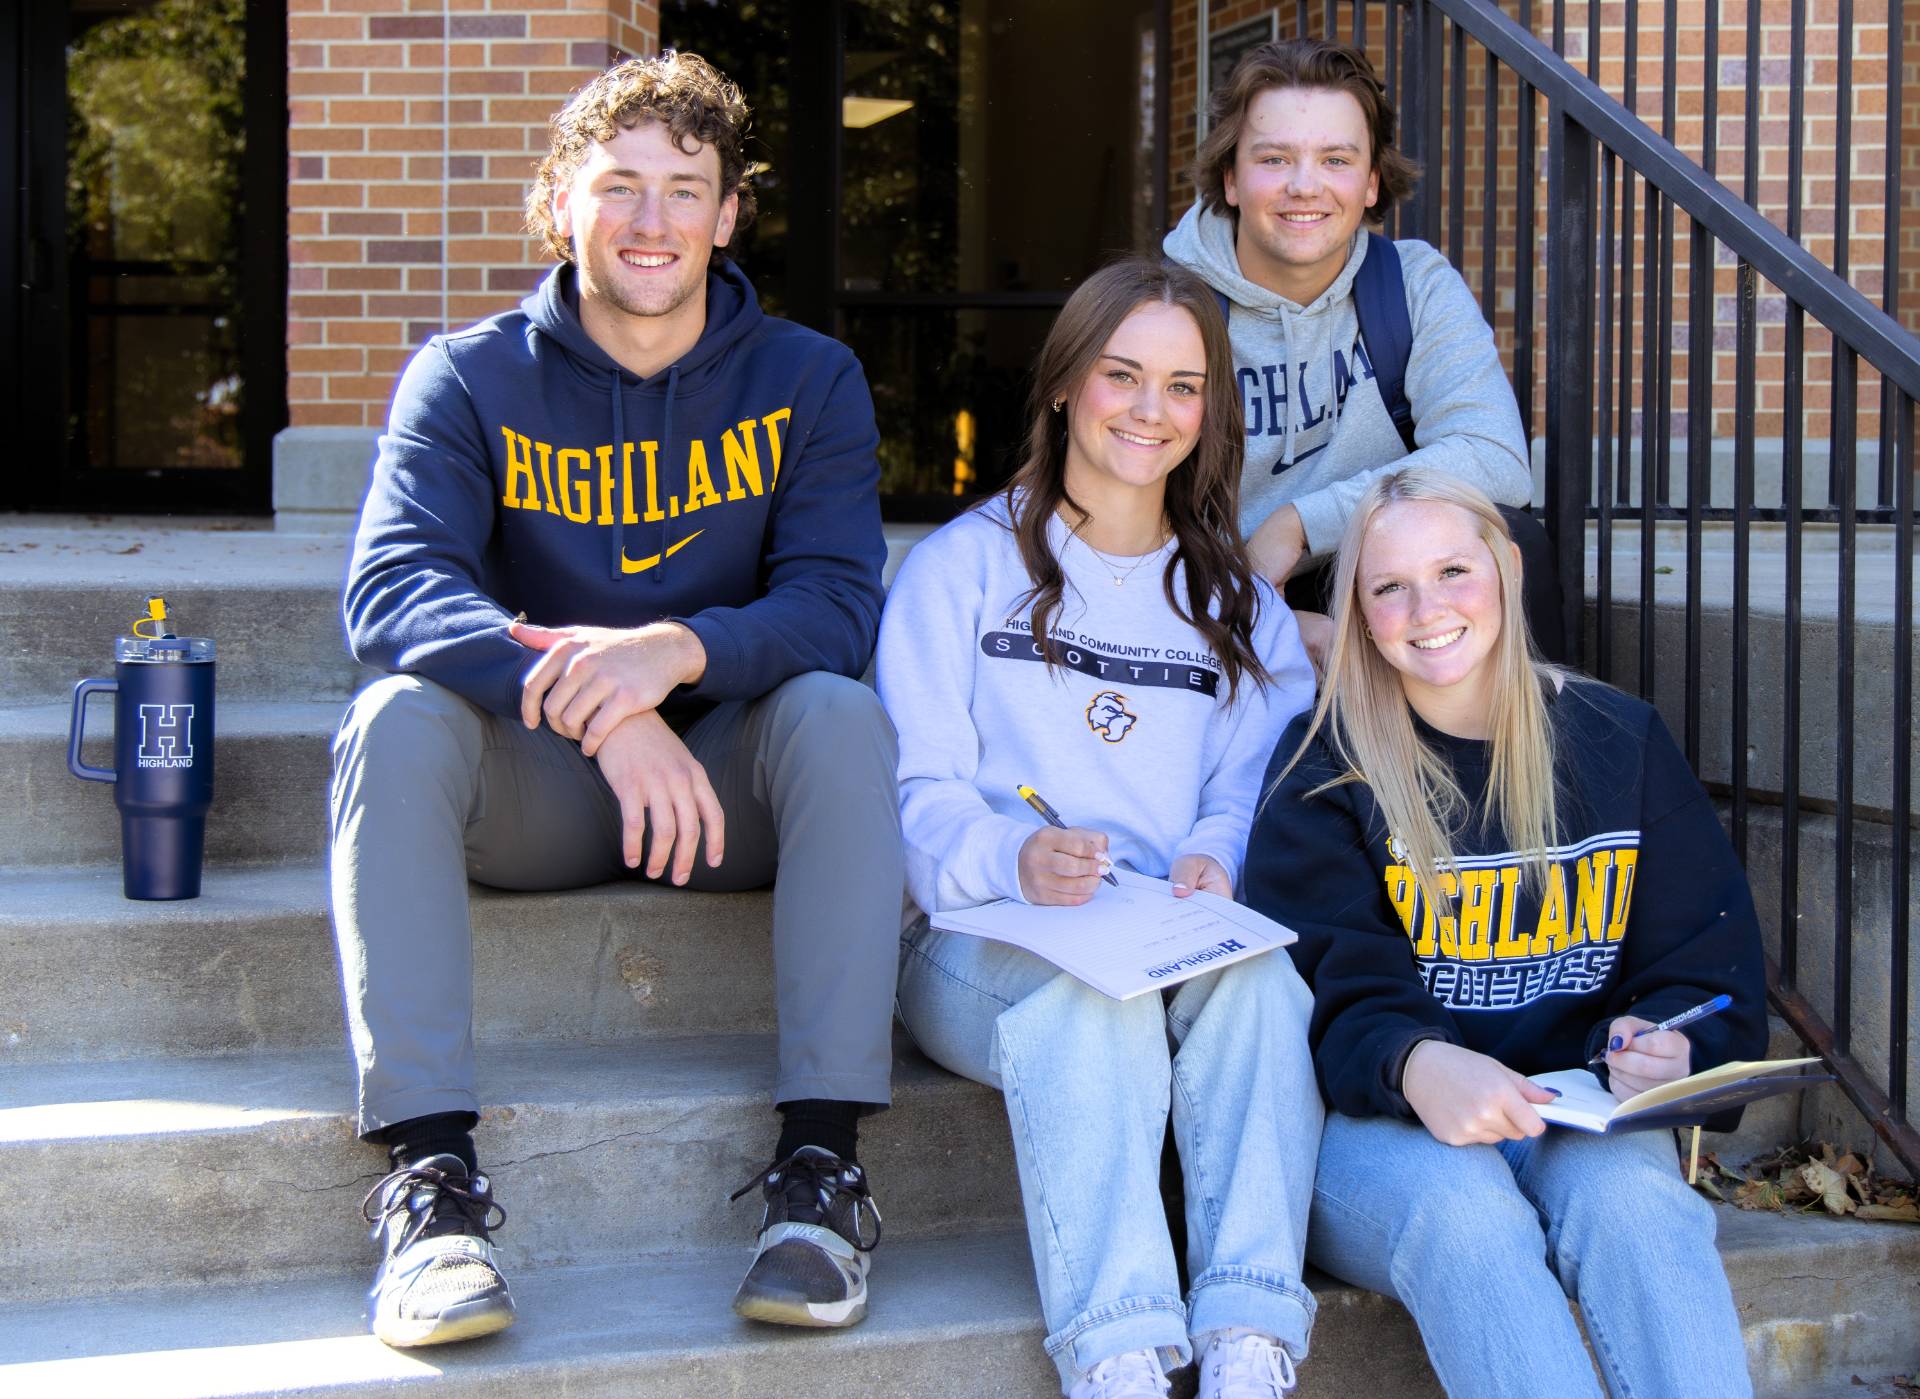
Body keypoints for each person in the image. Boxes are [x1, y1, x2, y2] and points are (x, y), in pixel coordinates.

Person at [331, 51, 900, 1347]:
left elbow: (836, 610)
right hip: (541, 789)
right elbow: (394, 593)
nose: (652, 223)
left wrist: (672, 656)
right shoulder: (467, 376)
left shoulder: (811, 381)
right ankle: (431, 1189)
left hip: (726, 793)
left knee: (840, 714)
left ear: (729, 214)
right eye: (620, 187)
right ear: (559, 202)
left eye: (684, 190)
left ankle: (820, 1177)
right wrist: (603, 697)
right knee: (395, 720)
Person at [877, 257, 1321, 1399]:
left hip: (1162, 928)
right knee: (1090, 1005)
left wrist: (1214, 851)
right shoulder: (962, 568)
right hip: (984, 938)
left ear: (1209, 410)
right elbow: (918, 797)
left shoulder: (1237, 603)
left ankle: (1248, 1341)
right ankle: (1119, 1349)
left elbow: (1241, 784)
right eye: (1123, 375)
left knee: (1268, 987)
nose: (1150, 410)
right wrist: (1012, 854)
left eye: (1183, 386)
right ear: (1068, 382)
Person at [1243, 466, 1767, 1397]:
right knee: (1471, 1219)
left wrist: (1671, 1042)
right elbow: (1324, 988)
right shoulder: (1325, 766)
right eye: (1389, 586)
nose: (1426, 606)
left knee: (1644, 1206)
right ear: (1360, 613)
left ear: (1508, 573)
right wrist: (1412, 1060)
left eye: (1453, 571)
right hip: (1379, 1131)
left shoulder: (1617, 739)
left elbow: (1702, 963)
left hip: (1574, 1112)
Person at [1163, 38, 1561, 665]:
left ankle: (1515, 757)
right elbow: (1117, 519)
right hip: (1210, 592)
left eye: (1335, 159)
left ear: (1372, 182)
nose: (1304, 186)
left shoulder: (1411, 286)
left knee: (1514, 543)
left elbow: (1497, 458)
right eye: (1274, 159)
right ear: (1230, 179)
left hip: (1374, 572)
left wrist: (1297, 522)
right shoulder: (1167, 309)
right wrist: (1269, 621)